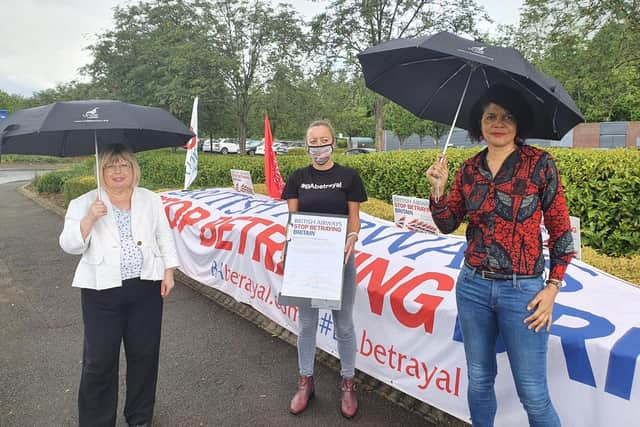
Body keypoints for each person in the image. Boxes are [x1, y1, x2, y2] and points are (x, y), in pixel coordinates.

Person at [426, 85, 574, 427]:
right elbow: (447, 223)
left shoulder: (540, 165)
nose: (499, 123)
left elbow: (561, 231)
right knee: (479, 379)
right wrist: (438, 190)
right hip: (472, 287)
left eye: (507, 116)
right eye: (490, 115)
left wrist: (553, 288)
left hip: (523, 291)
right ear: (479, 123)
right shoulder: (468, 169)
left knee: (533, 393)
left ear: (518, 124)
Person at [59, 144, 180, 427]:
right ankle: (97, 421)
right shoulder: (84, 202)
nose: (118, 171)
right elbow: (68, 245)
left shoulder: (150, 200)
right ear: (100, 171)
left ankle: (139, 417)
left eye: (124, 164)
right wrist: (89, 218)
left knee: (144, 355)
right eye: (111, 166)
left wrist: (169, 271)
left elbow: (164, 235)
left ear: (133, 169)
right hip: (101, 291)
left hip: (146, 288)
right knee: (99, 360)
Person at [281, 120, 368, 418]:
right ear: (307, 145)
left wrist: (353, 237)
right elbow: (293, 220)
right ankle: (306, 380)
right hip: (307, 265)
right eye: (313, 141)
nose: (319, 146)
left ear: (334, 142)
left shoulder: (349, 176)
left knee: (344, 325)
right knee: (307, 325)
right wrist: (289, 244)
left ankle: (347, 382)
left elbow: (354, 218)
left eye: (324, 140)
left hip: (340, 262)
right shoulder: (296, 178)